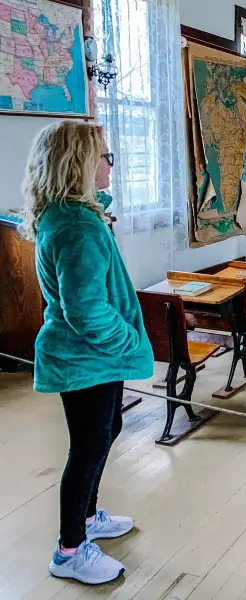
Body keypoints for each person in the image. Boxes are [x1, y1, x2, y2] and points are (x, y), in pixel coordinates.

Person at [20, 121, 153, 585]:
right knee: (88, 447)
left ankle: (90, 516)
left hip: (89, 357)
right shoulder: (77, 227)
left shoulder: (72, 215)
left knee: (106, 429)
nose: (110, 164)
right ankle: (70, 550)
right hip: (86, 358)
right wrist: (131, 342)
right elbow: (88, 311)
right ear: (79, 164)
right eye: (105, 156)